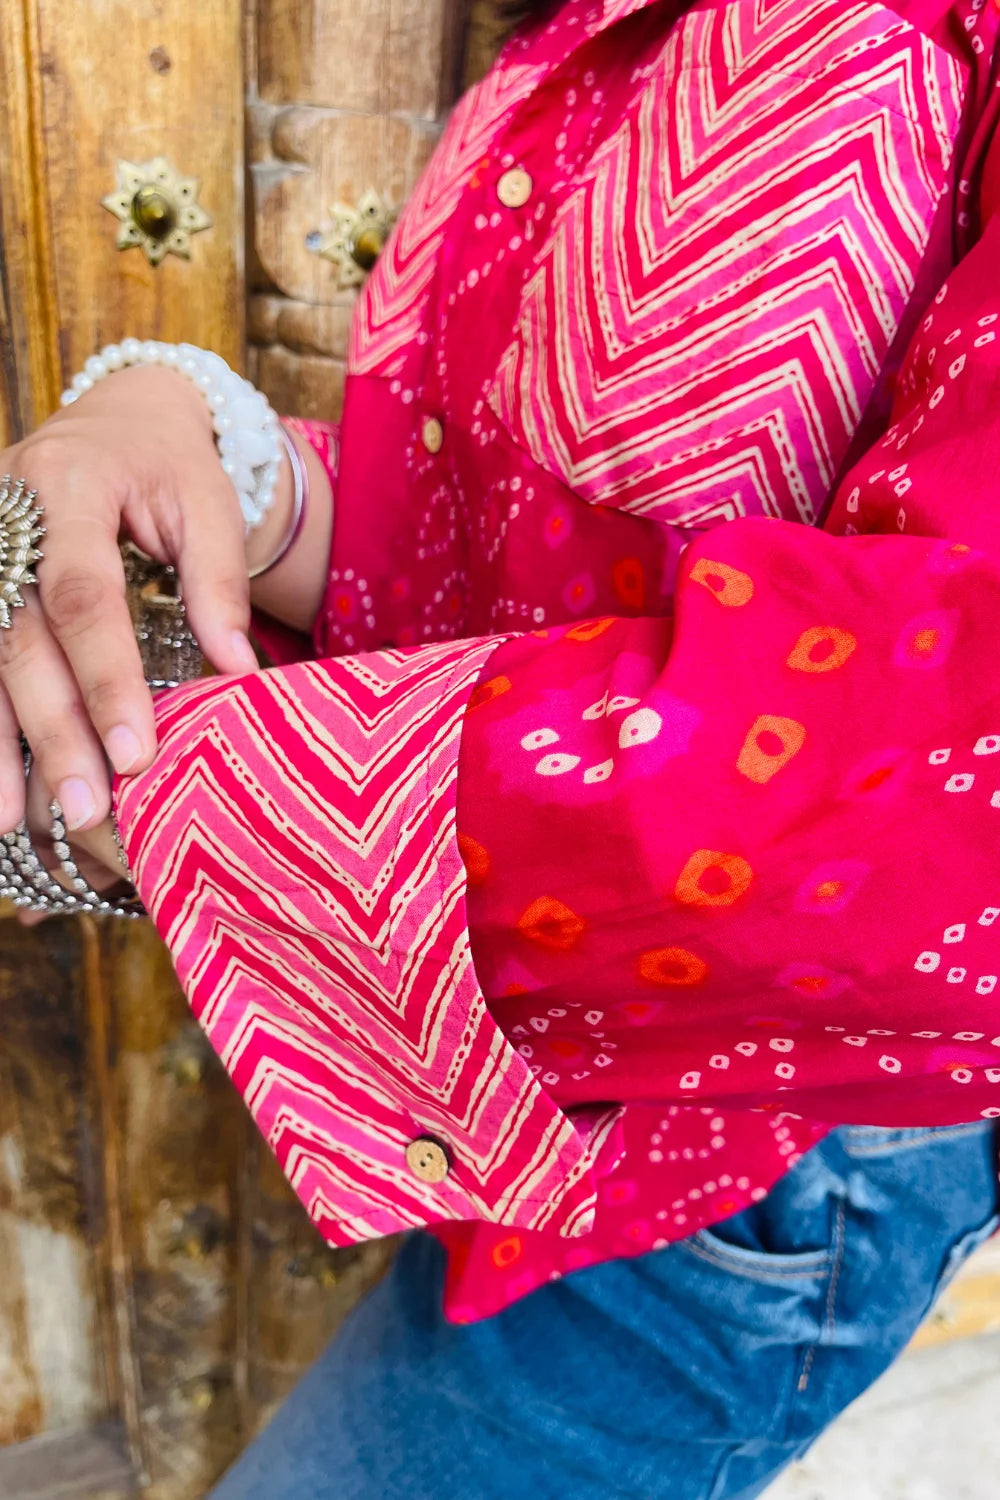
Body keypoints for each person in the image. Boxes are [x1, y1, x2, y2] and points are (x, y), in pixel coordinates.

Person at [2, 0, 1000, 1494]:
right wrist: (221, 471)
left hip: (742, 1162)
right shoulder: (599, 36)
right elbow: (518, 561)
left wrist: (162, 792)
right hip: (539, 1092)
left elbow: (941, 761)